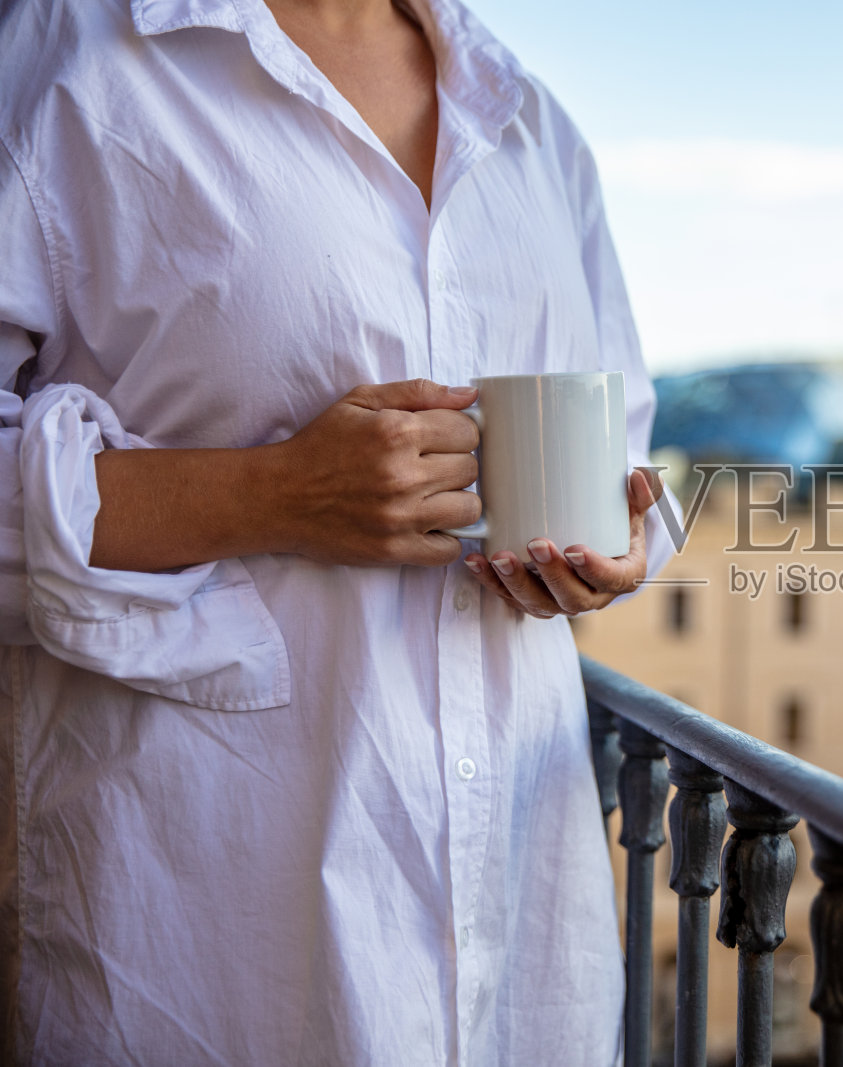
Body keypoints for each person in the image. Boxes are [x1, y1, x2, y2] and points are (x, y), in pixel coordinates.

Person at [0, 0, 678, 1061]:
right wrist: (274, 492)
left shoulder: (531, 123)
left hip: (523, 943)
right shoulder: (62, 55)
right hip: (206, 933)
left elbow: (626, 438)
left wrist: (616, 556)